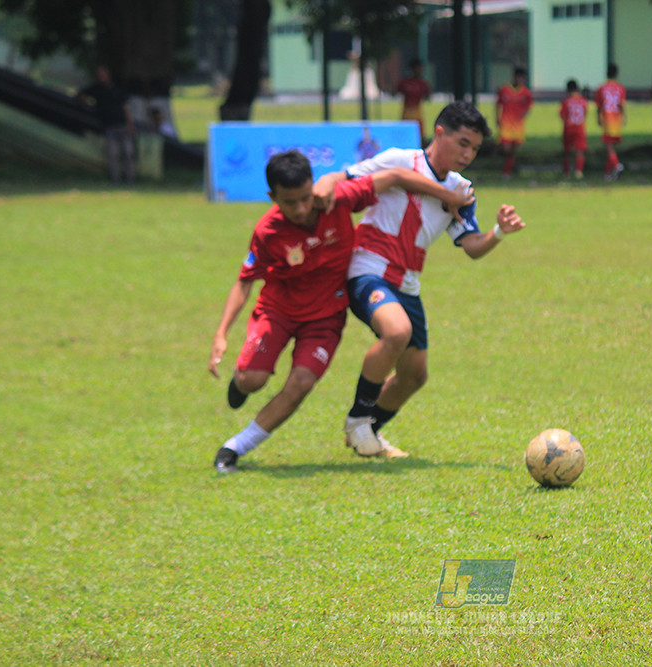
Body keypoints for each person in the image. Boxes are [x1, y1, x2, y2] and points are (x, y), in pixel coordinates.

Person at [208, 150, 474, 473]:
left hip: (324, 319)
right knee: (252, 380)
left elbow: (392, 177)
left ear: (313, 186)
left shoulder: (336, 199)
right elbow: (245, 282)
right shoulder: (268, 231)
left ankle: (234, 447)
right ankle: (241, 382)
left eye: (306, 197)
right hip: (278, 312)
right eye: (290, 202)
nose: (302, 209)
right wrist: (221, 334)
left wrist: (450, 196)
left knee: (302, 382)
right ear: (272, 197)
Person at [313, 101, 526, 459]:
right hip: (368, 269)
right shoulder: (399, 160)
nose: (468, 154)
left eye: (475, 148)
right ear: (439, 132)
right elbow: (345, 178)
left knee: (414, 376)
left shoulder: (463, 190)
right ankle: (357, 420)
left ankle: (368, 435)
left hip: (407, 282)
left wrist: (498, 233)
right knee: (397, 332)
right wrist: (320, 188)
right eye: (462, 143)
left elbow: (471, 246)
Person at [77, 65, 136, 185]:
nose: (102, 76)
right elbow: (81, 95)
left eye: (103, 73)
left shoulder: (119, 87)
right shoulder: (96, 88)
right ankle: (116, 180)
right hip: (108, 125)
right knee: (113, 154)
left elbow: (126, 107)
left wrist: (130, 123)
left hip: (122, 124)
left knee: (128, 152)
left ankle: (130, 179)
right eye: (99, 74)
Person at [495, 66, 534, 179]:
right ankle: (502, 162)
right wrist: (497, 118)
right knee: (505, 148)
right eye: (519, 77)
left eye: (523, 78)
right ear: (514, 77)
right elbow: (498, 104)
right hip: (506, 124)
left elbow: (529, 106)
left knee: (512, 150)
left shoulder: (526, 93)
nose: (521, 80)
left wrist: (525, 113)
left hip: (518, 126)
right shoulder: (504, 90)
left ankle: (507, 172)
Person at [595, 63, 627, 182]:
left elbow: (599, 106)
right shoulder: (620, 88)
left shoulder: (601, 88)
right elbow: (622, 105)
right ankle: (608, 174)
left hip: (607, 119)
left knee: (609, 148)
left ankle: (617, 165)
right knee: (611, 148)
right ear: (617, 74)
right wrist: (624, 118)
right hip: (617, 120)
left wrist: (598, 118)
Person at [560, 78, 589, 179]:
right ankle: (579, 171)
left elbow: (563, 115)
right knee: (580, 151)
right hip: (580, 127)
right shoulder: (583, 101)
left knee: (567, 152)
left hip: (568, 128)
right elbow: (585, 113)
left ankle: (566, 172)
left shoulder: (566, 101)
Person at [396, 59, 431, 143]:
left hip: (417, 112)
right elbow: (396, 92)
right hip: (406, 112)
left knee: (419, 135)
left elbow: (428, 97)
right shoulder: (405, 82)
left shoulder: (423, 84)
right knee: (405, 134)